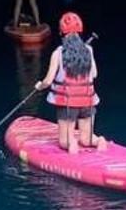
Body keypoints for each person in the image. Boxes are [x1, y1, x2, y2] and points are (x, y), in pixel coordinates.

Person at [36, 11, 103, 155]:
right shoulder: (89, 50)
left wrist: (39, 86)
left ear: (62, 32)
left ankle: (71, 144)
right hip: (88, 101)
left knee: (64, 141)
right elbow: (95, 74)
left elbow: (48, 81)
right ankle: (97, 141)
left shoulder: (58, 53)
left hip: (68, 104)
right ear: (80, 31)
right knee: (86, 139)